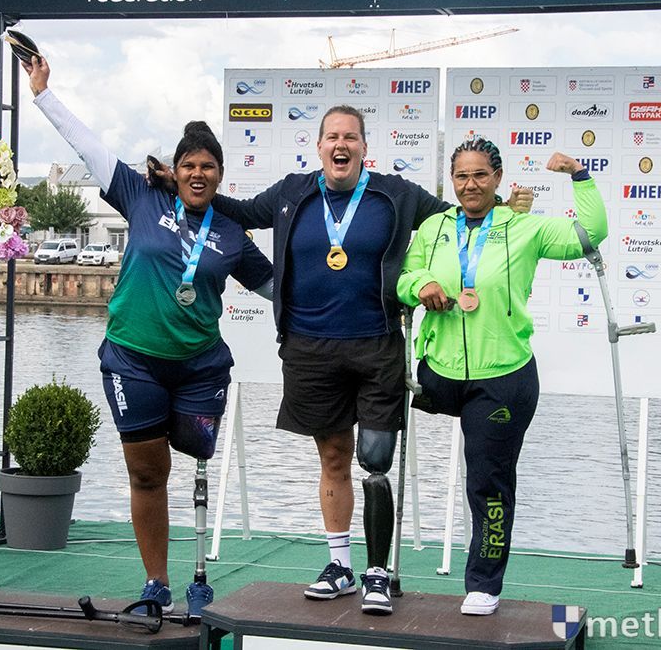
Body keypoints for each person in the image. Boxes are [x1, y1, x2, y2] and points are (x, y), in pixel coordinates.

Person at [204, 106, 530, 615]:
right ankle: (340, 566)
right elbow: (241, 212)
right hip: (310, 348)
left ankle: (378, 573)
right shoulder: (292, 192)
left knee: (376, 459)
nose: (342, 145)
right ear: (318, 147)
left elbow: (461, 213)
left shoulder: (396, 194)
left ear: (363, 147)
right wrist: (184, 186)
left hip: (377, 346)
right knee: (333, 458)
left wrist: (507, 210)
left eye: (351, 137)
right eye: (332, 137)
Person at [23, 56, 273, 617]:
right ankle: (157, 582)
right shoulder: (141, 197)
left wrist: (351, 297)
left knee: (196, 452)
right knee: (147, 471)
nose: (198, 174)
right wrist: (43, 94)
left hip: (200, 366)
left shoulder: (232, 232)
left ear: (220, 174)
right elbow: (89, 146)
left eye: (208, 166)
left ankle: (200, 570)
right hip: (133, 360)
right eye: (189, 165)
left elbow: (277, 288)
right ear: (176, 171)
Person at [397, 141, 608, 616]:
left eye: (480, 175)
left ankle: (483, 584)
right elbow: (405, 277)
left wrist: (579, 175)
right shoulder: (434, 227)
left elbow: (590, 233)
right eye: (461, 176)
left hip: (503, 377)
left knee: (487, 479)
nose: (470, 185)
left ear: (497, 178)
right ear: (452, 181)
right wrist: (421, 285)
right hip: (440, 372)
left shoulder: (524, 227)